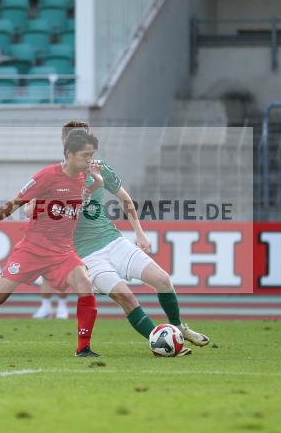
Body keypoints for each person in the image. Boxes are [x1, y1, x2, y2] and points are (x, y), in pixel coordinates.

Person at [0, 129, 104, 357]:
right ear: (69, 154)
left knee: (84, 281)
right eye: (85, 155)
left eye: (91, 154)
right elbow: (15, 202)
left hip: (62, 252)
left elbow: (82, 195)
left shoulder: (85, 176)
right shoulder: (46, 175)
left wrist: (98, 182)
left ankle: (83, 348)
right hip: (33, 249)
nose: (89, 160)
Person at [63, 120, 209, 349]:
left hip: (114, 242)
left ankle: (178, 327)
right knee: (127, 298)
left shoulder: (101, 169)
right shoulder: (56, 178)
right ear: (67, 146)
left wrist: (140, 234)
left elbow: (125, 199)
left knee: (162, 279)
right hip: (88, 256)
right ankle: (161, 342)